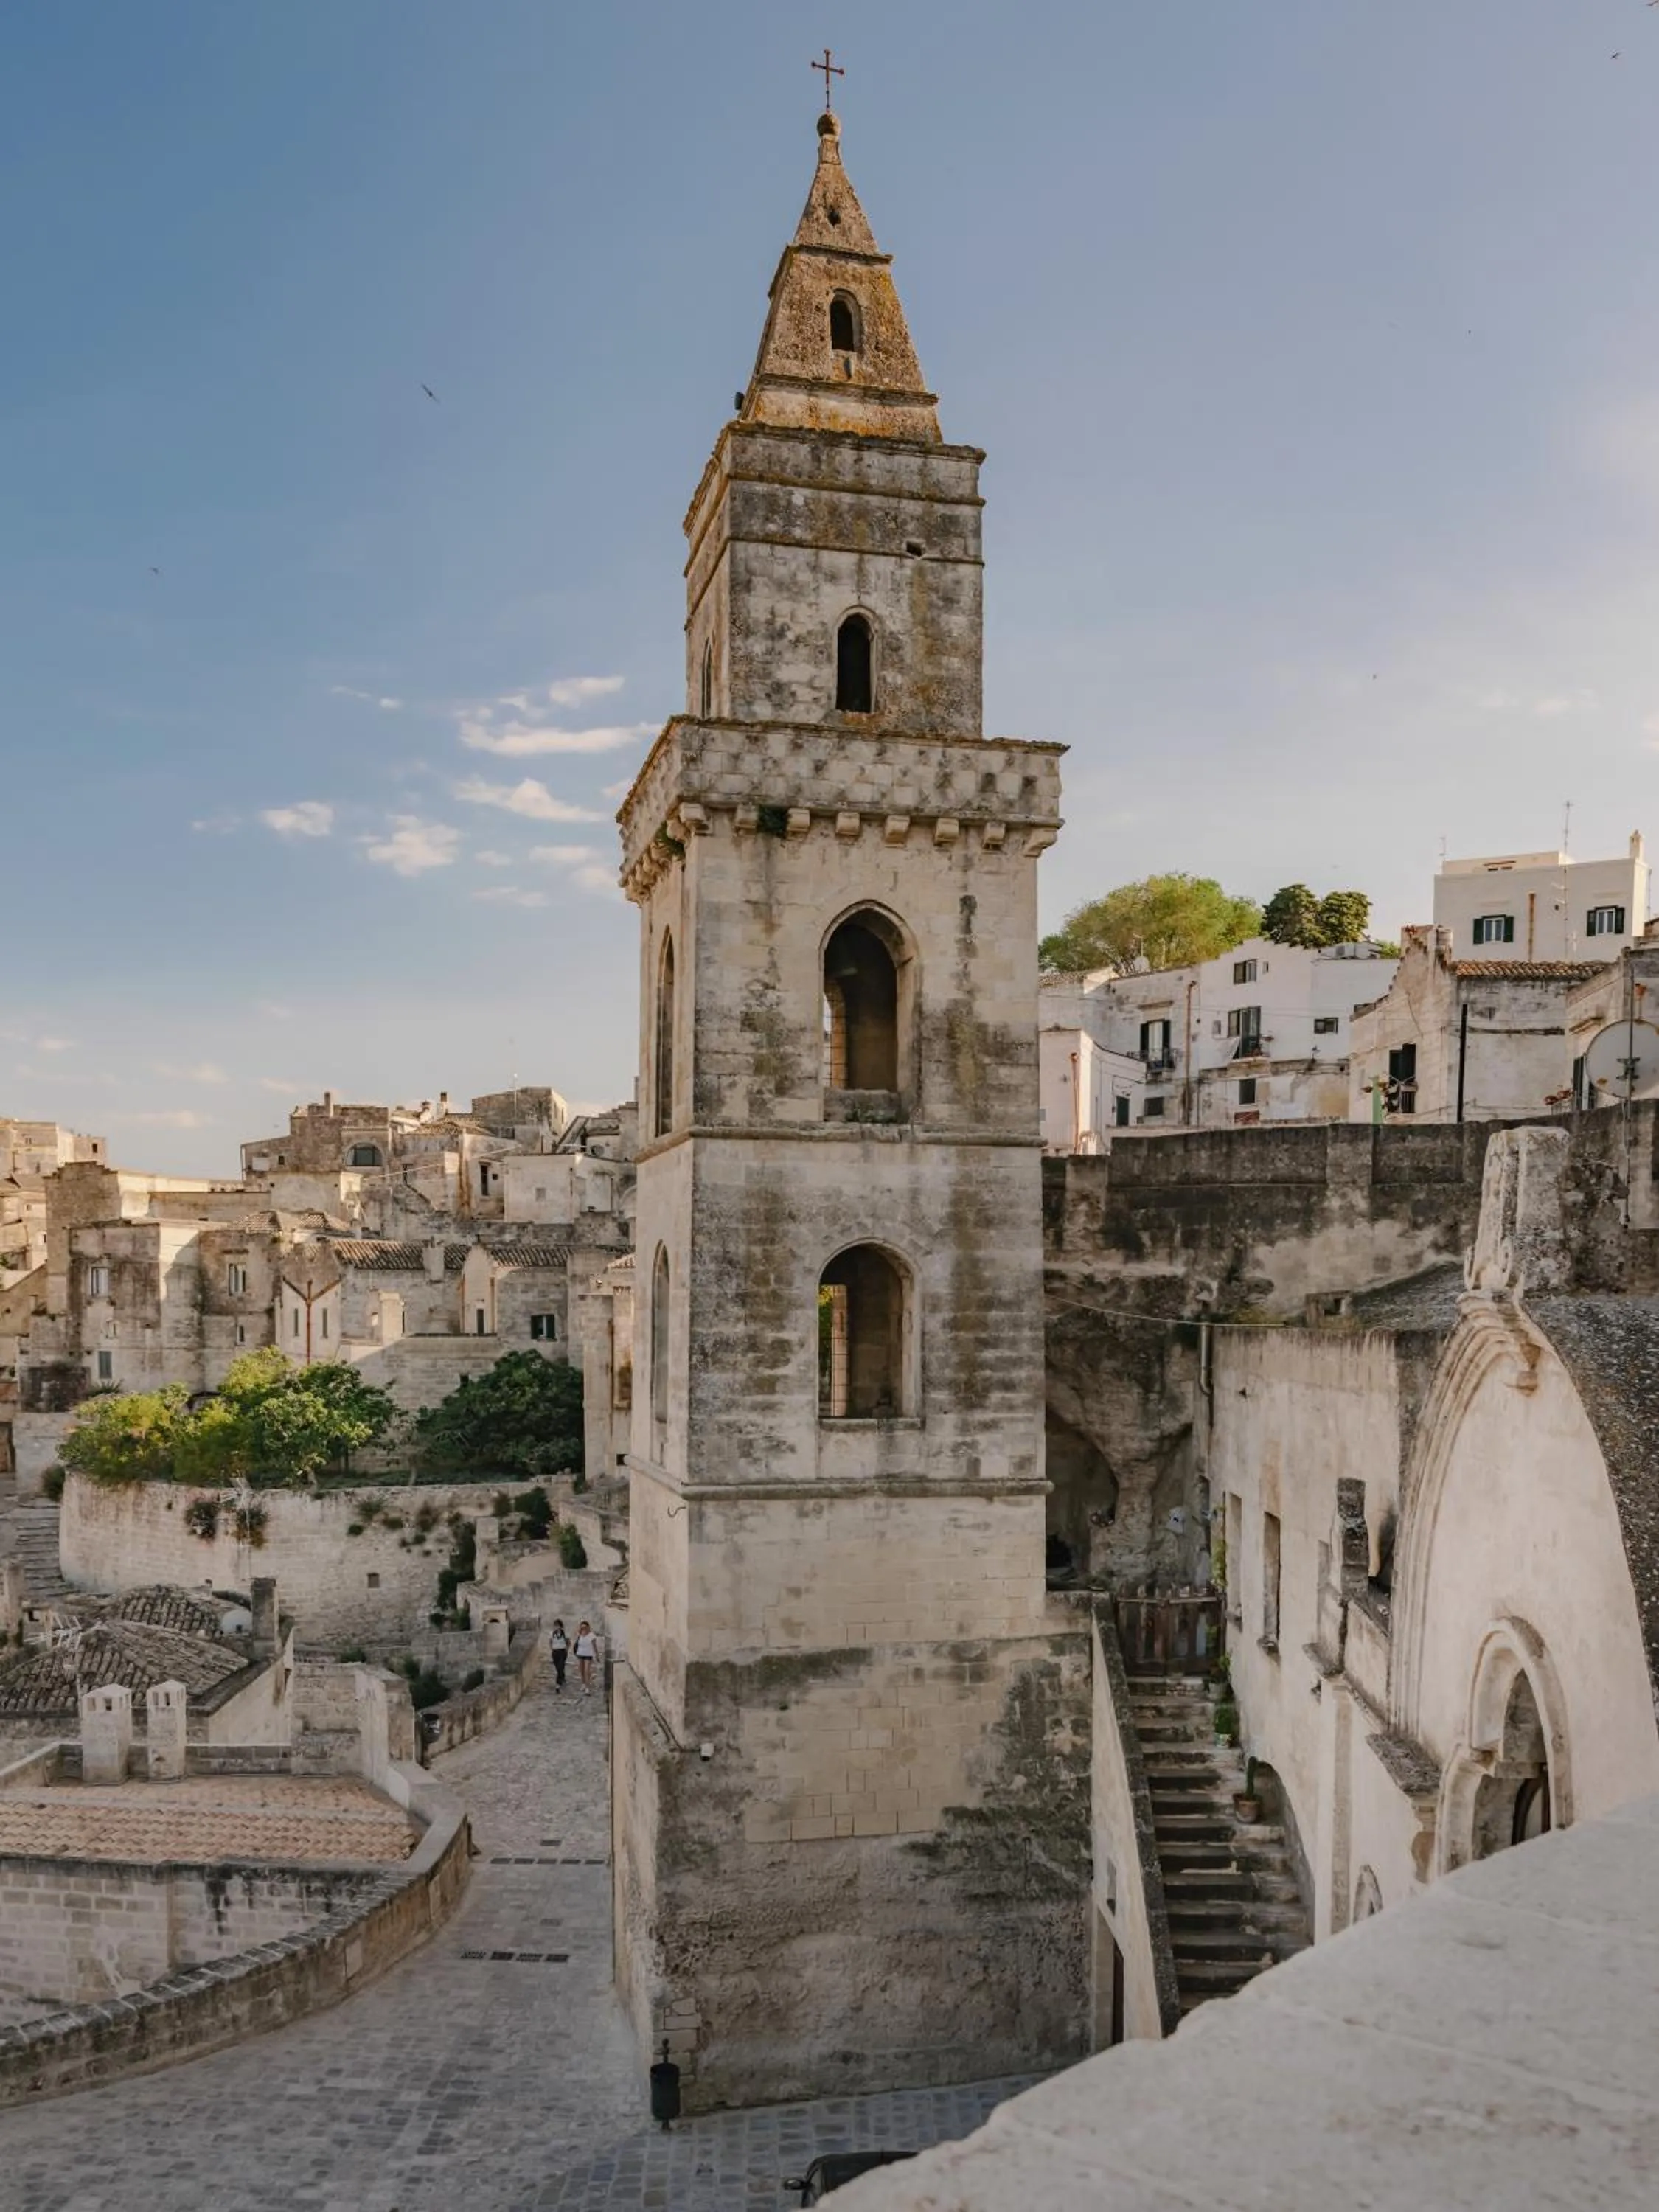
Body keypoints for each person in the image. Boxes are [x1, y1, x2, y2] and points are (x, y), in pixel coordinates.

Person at [574, 1618, 599, 1697]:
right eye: (582, 1627)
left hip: (588, 1655)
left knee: (587, 1671)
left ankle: (588, 1687)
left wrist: (597, 1655)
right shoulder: (579, 1635)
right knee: (581, 1670)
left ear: (588, 1627)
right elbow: (576, 1641)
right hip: (580, 1654)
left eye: (585, 1627)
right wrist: (579, 1631)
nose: (584, 1629)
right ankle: (583, 1683)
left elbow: (594, 1646)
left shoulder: (592, 1636)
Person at [549, 1618, 568, 1694]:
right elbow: (550, 1642)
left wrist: (567, 1649)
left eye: (558, 1626)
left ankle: (558, 1685)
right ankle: (562, 1677)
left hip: (562, 1651)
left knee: (561, 1667)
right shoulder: (552, 1633)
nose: (556, 1627)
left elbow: (568, 1642)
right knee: (558, 1667)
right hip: (555, 1652)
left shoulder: (565, 1633)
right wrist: (552, 1649)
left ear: (561, 1626)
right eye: (555, 1626)